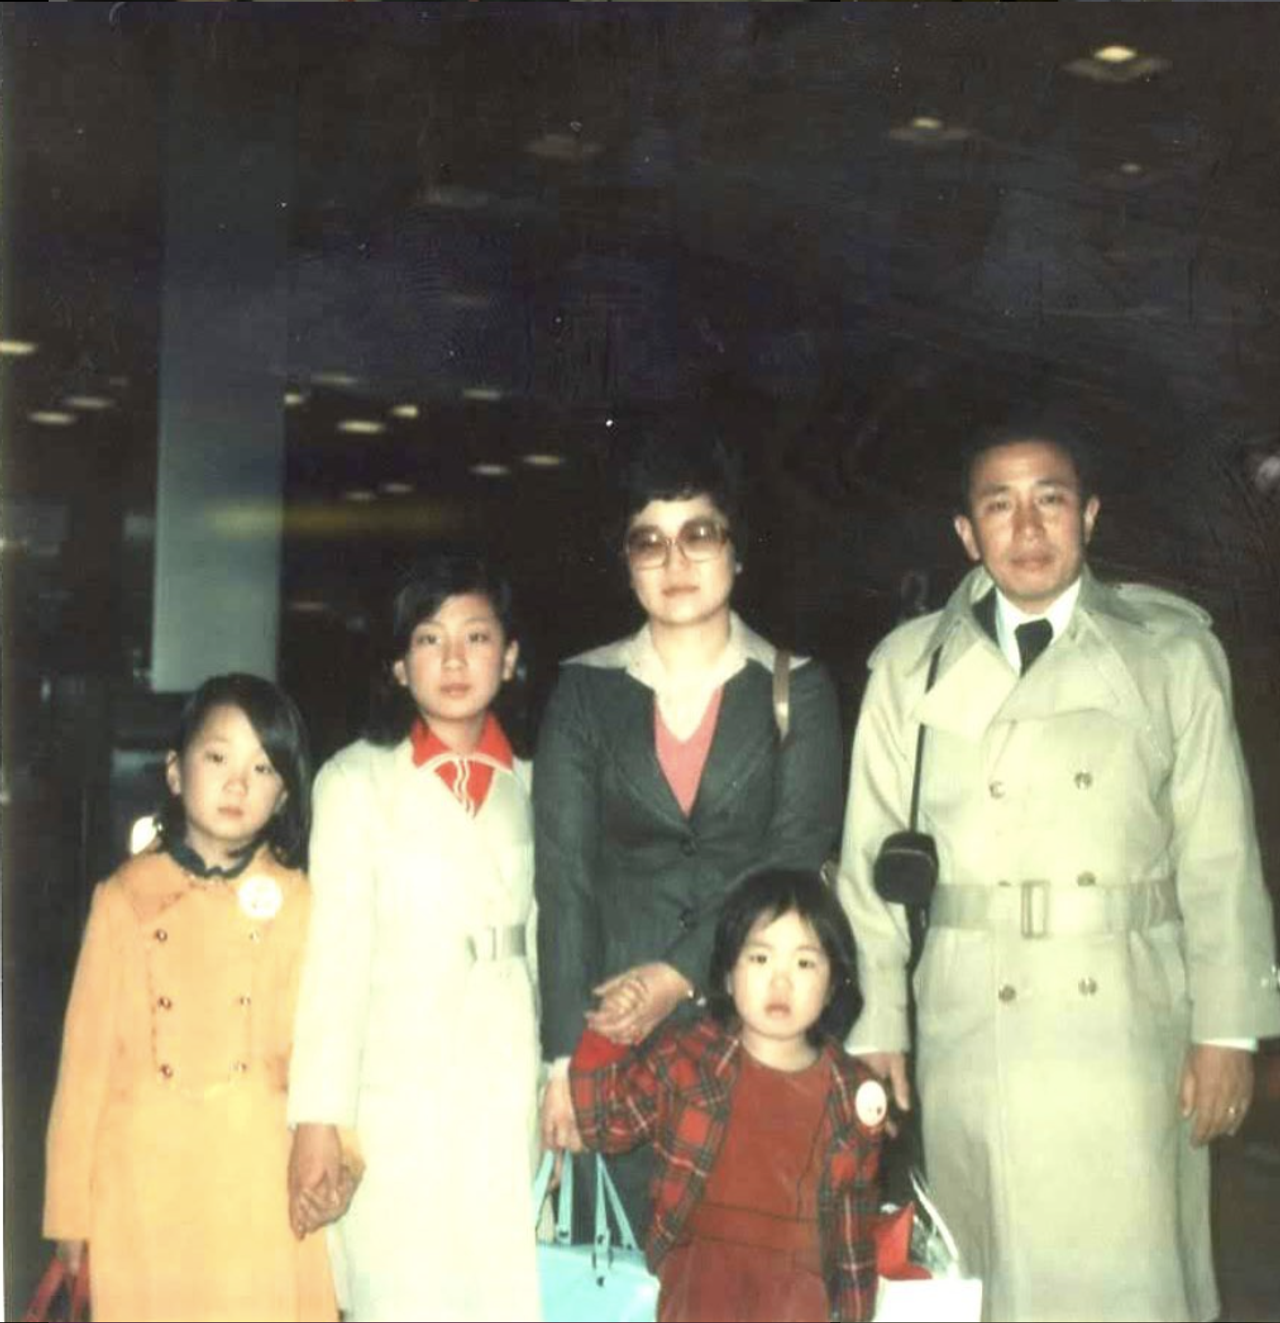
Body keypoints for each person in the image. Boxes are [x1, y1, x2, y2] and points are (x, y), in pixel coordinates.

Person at [837, 419, 1280, 1322]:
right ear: (967, 533)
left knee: (1129, 1283)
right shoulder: (909, 666)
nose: (1028, 526)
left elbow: (1221, 858)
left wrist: (1230, 1031)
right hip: (973, 1028)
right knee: (991, 1279)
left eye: (1051, 499)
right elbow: (868, 865)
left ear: (1090, 517)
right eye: (999, 505)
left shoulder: (1170, 655)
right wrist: (878, 1019)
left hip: (1125, 1026)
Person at [535, 428, 845, 1232]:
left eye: (699, 535)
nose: (675, 563)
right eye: (650, 542)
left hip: (758, 1029)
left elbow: (792, 859)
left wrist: (677, 974)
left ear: (738, 552)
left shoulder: (798, 690)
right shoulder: (582, 691)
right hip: (615, 1039)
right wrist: (563, 1061)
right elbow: (563, 878)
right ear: (626, 562)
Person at [286, 552, 541, 1322]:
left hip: (505, 1083)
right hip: (396, 1090)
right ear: (399, 665)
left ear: (511, 655)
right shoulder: (354, 781)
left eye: (477, 635)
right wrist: (317, 1117)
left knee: (502, 1290)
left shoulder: (537, 779)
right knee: (402, 1291)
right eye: (429, 639)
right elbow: (333, 961)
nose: (455, 659)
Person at [43, 673, 337, 1323]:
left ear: (285, 790)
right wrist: (70, 1210)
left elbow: (332, 1044)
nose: (238, 782)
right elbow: (84, 1064)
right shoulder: (123, 895)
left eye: (263, 767)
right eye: (218, 756)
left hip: (259, 1178)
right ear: (176, 772)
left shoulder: (301, 901)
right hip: (143, 1187)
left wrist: (342, 1158)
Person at [570, 867, 888, 1323]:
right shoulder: (686, 1059)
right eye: (759, 959)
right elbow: (604, 1124)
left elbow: (854, 1230)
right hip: (698, 1292)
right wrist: (609, 1032)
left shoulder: (849, 1091)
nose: (781, 983)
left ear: (834, 980)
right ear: (726, 974)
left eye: (804, 963)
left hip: (797, 1304)